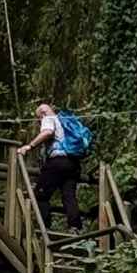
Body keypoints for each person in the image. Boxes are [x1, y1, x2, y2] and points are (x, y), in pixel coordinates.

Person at [18, 99, 84, 232]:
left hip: (57, 161)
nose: (39, 121)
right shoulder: (64, 121)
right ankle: (75, 227)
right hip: (73, 163)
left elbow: (47, 132)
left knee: (41, 194)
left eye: (38, 118)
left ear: (42, 113)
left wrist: (29, 146)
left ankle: (45, 228)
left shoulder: (49, 118)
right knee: (69, 196)